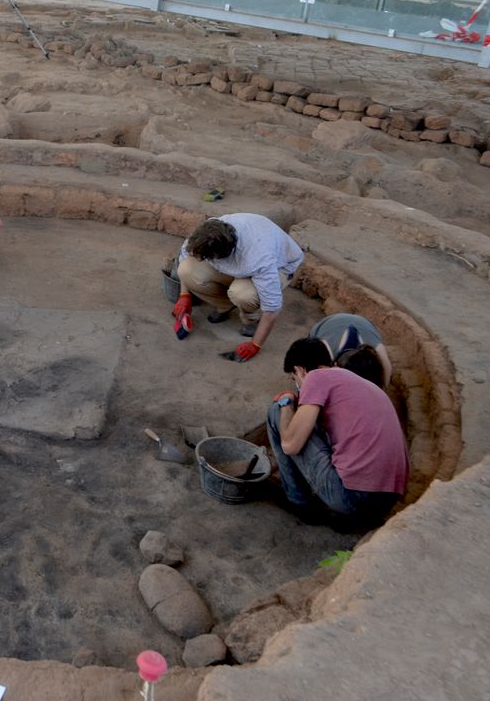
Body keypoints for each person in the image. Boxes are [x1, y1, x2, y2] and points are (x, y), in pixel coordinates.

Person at [267, 338, 408, 527]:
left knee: (277, 411)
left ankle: (298, 501)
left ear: (299, 370)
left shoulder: (316, 377)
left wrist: (286, 401)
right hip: (386, 502)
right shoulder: (362, 384)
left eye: (295, 379)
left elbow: (290, 445)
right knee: (309, 424)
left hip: (352, 498)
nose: (298, 385)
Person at [171, 213, 304, 362]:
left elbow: (272, 307)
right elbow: (185, 256)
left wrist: (255, 344)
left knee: (242, 294)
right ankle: (225, 305)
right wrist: (185, 296)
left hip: (281, 266)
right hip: (240, 262)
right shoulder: (204, 234)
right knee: (185, 269)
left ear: (221, 256)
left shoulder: (258, 257)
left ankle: (252, 320)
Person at [309, 313, 393, 387]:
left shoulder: (381, 358)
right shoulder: (323, 351)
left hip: (364, 324)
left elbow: (382, 387)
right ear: (335, 365)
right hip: (328, 324)